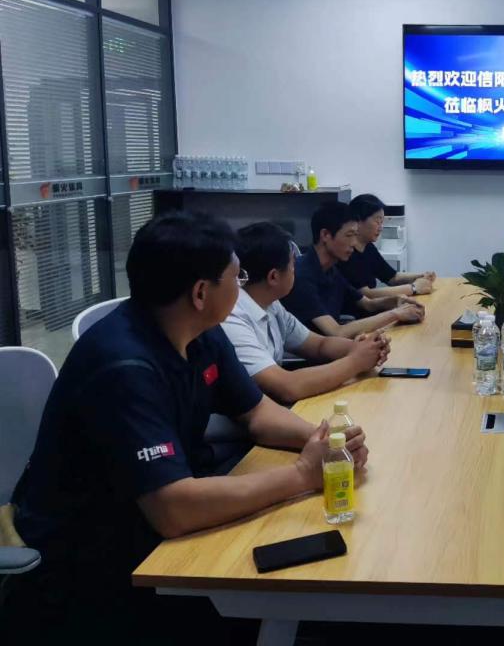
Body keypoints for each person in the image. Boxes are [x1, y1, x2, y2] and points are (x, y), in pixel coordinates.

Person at [0, 212, 368, 644]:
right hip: (91, 562)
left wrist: (326, 442)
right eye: (237, 276)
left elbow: (257, 414)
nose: (242, 286)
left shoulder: (199, 332)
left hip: (152, 518)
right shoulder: (123, 366)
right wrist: (303, 474)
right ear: (200, 293)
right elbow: (173, 511)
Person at [222, 222, 391, 404]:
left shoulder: (270, 304)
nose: (296, 270)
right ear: (273, 277)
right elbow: (287, 388)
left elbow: (319, 345)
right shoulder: (232, 318)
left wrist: (362, 348)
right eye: (292, 265)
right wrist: (356, 361)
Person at [282, 202, 424, 337]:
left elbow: (367, 304)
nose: (354, 243)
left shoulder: (331, 269)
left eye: (356, 235)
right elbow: (336, 332)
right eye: (349, 235)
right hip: (316, 352)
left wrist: (396, 301)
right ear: (325, 235)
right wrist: (395, 314)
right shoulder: (301, 276)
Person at [338, 193, 436, 299]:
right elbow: (366, 294)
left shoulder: (368, 247)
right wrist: (413, 288)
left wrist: (421, 276)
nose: (381, 228)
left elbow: (392, 277)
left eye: (382, 222)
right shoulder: (347, 253)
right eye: (377, 221)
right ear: (358, 221)